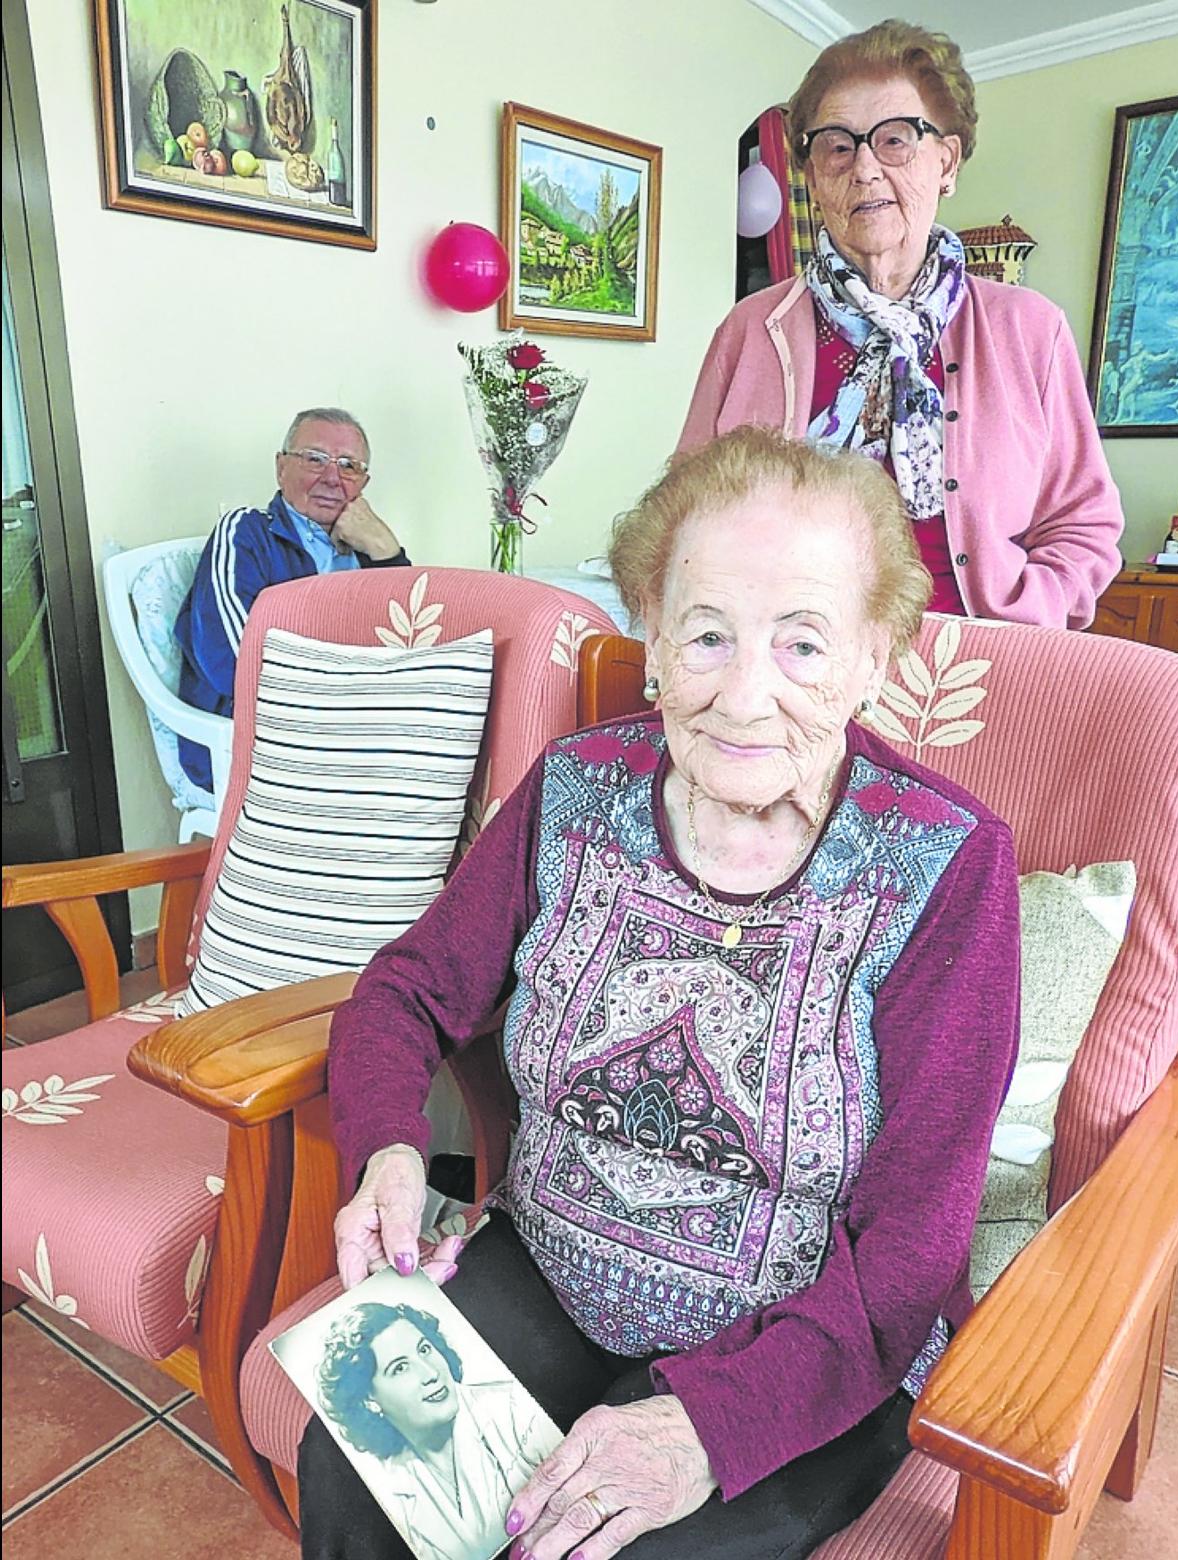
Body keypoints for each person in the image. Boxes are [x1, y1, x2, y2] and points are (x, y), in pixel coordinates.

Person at [300, 427, 1021, 1560]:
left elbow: (915, 1243)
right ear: (649, 635)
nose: (744, 696)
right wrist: (390, 1147)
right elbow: (407, 989)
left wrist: (710, 1426)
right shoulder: (578, 790)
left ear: (877, 659)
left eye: (802, 644)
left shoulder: (946, 864)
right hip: (546, 1261)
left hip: (801, 1340)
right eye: (706, 635)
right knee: (358, 1462)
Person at [679, 20, 1123, 630]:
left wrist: (1028, 619)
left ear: (947, 161)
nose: (863, 168)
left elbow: (1083, 524)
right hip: (786, 662)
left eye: (895, 139)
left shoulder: (1030, 329)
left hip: (978, 659)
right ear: (812, 175)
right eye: (836, 144)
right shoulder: (751, 329)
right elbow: (684, 513)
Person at [174, 407, 409, 791]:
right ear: (281, 467)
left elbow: (418, 646)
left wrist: (387, 551)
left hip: (363, 736)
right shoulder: (247, 533)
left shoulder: (368, 548)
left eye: (349, 465)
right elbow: (233, 660)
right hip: (261, 742)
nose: (333, 478)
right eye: (315, 459)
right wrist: (346, 704)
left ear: (363, 482)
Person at [315, 1302, 554, 1560]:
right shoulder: (393, 1484)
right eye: (400, 1367)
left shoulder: (512, 1410)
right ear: (368, 1401)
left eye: (425, 1349)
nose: (430, 1373)